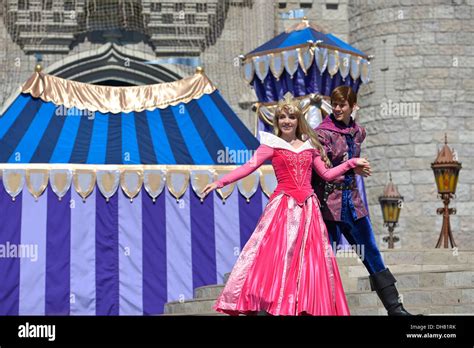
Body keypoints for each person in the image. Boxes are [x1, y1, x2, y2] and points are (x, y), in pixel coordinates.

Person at [202, 92, 371, 316]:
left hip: (309, 210)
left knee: (309, 261)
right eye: (282, 117)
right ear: (277, 121)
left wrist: (350, 163)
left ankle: (301, 306)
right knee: (274, 257)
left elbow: (327, 174)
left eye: (291, 117)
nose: (287, 121)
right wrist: (221, 182)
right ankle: (267, 304)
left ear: (298, 120)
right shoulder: (271, 145)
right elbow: (248, 166)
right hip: (283, 208)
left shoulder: (309, 146)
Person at [313, 86, 412, 316]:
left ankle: (395, 308)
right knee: (322, 259)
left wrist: (354, 170)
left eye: (342, 104)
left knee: (372, 253)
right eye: (334, 104)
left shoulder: (359, 132)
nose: (337, 108)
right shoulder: (322, 134)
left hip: (353, 203)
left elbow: (349, 162)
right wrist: (351, 167)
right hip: (328, 204)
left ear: (353, 106)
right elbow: (322, 170)